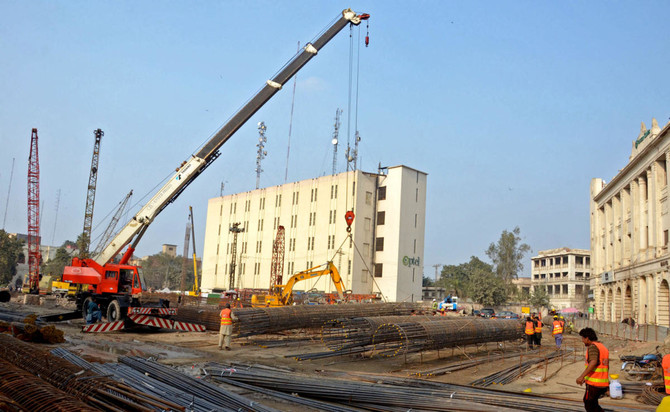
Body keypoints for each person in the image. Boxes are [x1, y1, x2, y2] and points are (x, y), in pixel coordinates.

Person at [576, 327, 609, 412]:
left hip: (594, 384)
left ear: (587, 338)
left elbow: (593, 362)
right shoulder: (602, 347)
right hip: (602, 382)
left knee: (589, 404)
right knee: (593, 404)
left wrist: (581, 376)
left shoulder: (593, 347)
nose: (582, 341)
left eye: (583, 338)